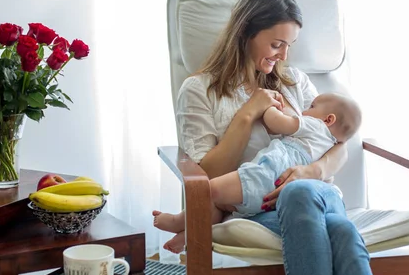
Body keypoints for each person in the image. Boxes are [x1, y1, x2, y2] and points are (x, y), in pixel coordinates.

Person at [154, 0, 401, 275]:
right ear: (245, 33)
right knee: (342, 232)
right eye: (276, 44)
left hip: (320, 194)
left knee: (301, 192)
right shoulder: (200, 90)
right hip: (257, 209)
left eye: (289, 45)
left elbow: (340, 144)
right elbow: (207, 176)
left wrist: (310, 171)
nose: (283, 56)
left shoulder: (294, 83)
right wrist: (246, 115)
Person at [153, 92, 362, 242]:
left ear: (328, 119)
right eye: (277, 44)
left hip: (267, 175)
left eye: (311, 107)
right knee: (220, 205)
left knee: (210, 191)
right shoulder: (329, 139)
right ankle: (189, 234)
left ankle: (178, 220)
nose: (306, 110)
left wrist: (267, 107)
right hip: (280, 198)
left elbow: (278, 123)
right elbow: (342, 145)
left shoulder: (314, 124)